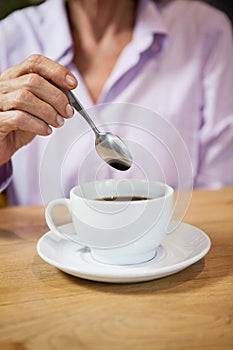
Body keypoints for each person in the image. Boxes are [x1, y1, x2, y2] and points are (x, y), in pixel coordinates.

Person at [0, 0, 233, 206]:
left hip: (169, 248)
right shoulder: (10, 38)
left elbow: (220, 195)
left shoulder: (205, 32)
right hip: (39, 249)